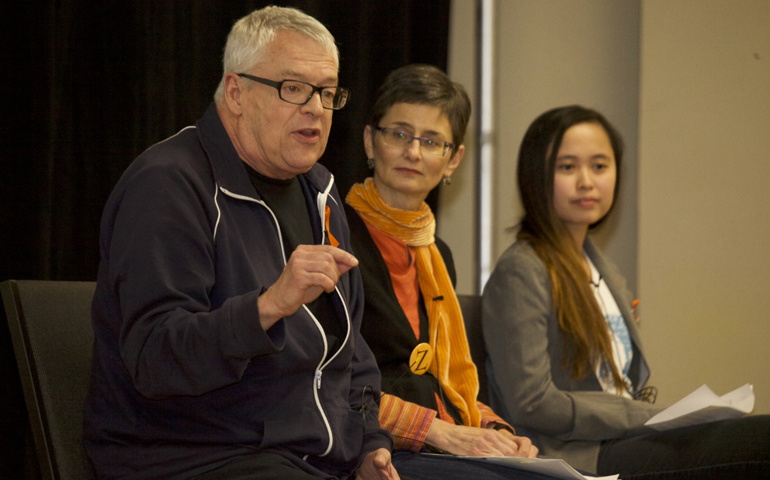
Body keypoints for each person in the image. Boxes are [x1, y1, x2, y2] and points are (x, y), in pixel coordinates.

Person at [84, 7, 398, 480]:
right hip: (192, 455)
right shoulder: (169, 185)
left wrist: (372, 447)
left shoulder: (322, 194)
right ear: (235, 92)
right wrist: (268, 306)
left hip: (314, 459)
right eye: (293, 89)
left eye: (328, 93)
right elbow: (154, 359)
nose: (315, 107)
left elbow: (352, 356)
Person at [482, 105, 770, 478]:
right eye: (567, 167)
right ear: (536, 176)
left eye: (600, 166)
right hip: (578, 456)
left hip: (621, 440)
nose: (586, 181)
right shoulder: (522, 270)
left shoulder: (599, 267)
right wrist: (645, 416)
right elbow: (532, 403)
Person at [345, 64, 552, 480]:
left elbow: (449, 381)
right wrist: (439, 433)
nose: (414, 152)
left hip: (440, 444)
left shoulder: (437, 253)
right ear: (371, 141)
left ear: (453, 159)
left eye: (431, 141)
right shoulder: (334, 236)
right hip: (371, 449)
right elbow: (329, 382)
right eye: (399, 134)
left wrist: (496, 431)